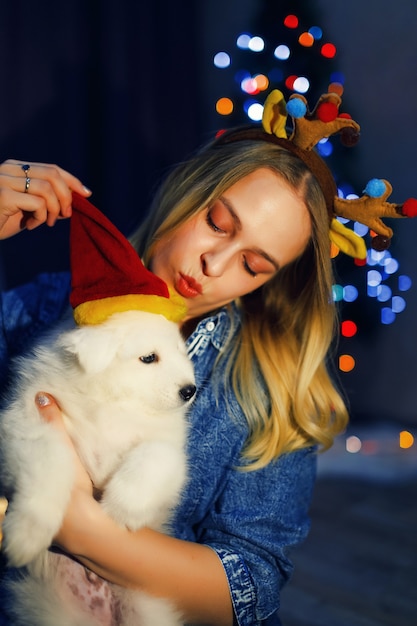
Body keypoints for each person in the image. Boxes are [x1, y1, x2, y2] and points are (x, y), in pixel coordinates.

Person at [0, 113, 350, 625]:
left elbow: (251, 582)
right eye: (217, 223)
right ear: (189, 190)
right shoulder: (41, 308)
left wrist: (78, 526)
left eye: (253, 265)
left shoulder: (271, 385)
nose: (215, 263)